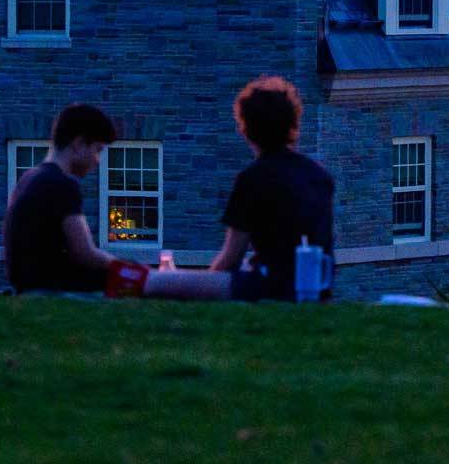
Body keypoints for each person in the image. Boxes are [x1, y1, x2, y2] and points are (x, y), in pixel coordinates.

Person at [141, 75, 335, 301]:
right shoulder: (319, 175)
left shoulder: (254, 178)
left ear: (246, 128)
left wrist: (206, 284)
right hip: (317, 285)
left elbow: (231, 257)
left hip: (271, 286)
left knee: (160, 280)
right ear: (293, 123)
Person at [3, 103, 121, 295]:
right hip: (51, 288)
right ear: (79, 144)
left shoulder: (29, 178)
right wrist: (131, 270)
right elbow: (85, 253)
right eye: (98, 150)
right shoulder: (61, 185)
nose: (97, 161)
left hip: (26, 285)